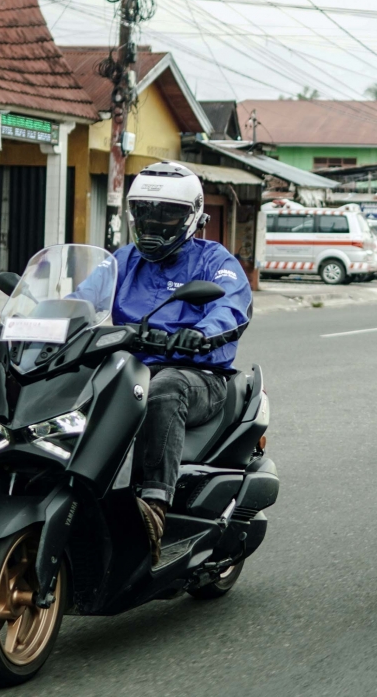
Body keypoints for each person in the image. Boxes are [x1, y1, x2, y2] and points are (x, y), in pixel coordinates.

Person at [112, 162, 253, 564]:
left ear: (192, 217)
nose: (153, 225)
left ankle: (155, 504)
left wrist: (203, 332)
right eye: (144, 213)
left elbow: (231, 304)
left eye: (167, 214)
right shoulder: (123, 260)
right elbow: (81, 297)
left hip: (197, 375)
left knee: (165, 389)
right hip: (128, 369)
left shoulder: (214, 260)